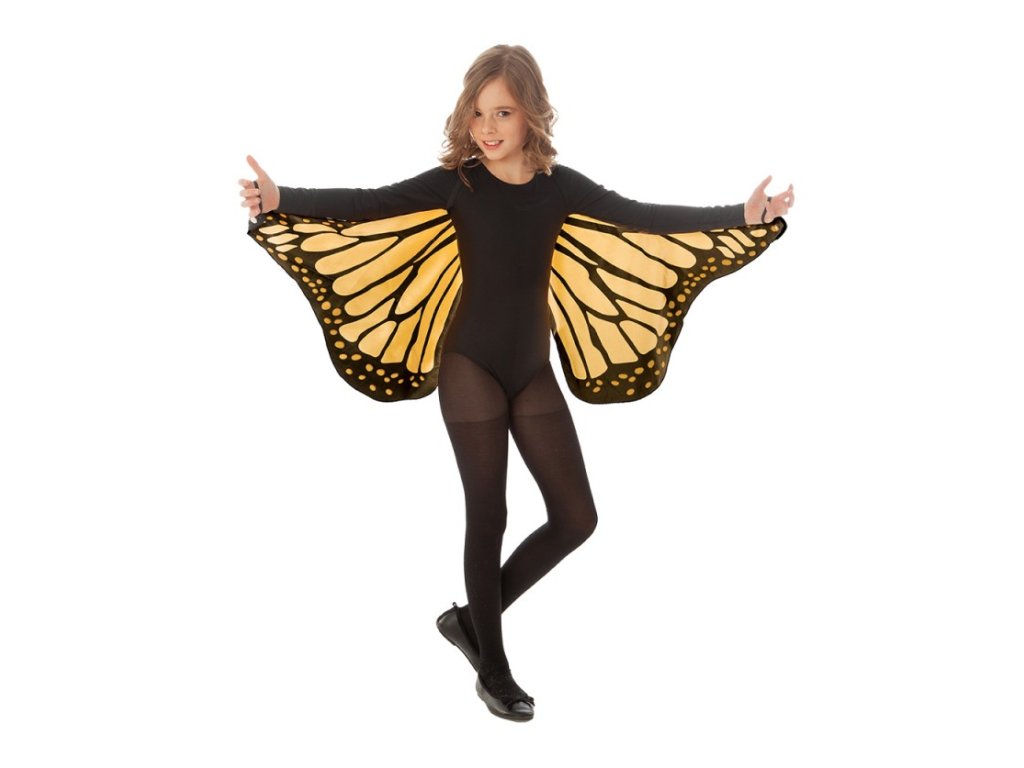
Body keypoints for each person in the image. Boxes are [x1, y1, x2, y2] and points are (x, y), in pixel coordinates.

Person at [238, 44, 794, 722]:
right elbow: (366, 204)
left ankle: (470, 621)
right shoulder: (458, 184)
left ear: (531, 112)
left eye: (502, 112)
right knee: (490, 514)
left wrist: (741, 215)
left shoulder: (561, 187)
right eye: (477, 114)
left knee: (577, 518)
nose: (487, 128)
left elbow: (644, 217)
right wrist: (281, 199)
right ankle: (493, 670)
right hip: (469, 365)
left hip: (532, 370)